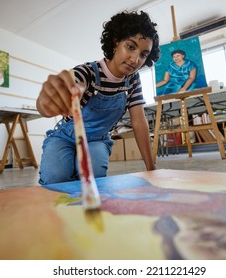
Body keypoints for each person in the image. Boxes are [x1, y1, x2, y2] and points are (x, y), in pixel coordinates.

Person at [36, 10, 160, 185]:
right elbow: (74, 81)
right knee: (55, 178)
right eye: (130, 47)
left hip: (97, 140)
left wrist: (151, 167)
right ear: (116, 42)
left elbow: (139, 121)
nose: (135, 59)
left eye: (143, 54)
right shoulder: (89, 71)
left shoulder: (132, 80)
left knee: (92, 179)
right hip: (65, 136)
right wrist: (50, 99)